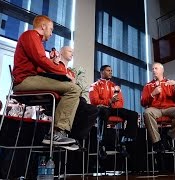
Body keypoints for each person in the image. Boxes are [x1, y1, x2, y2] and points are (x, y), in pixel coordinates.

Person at [12, 15, 81, 145]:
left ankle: (59, 133)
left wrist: (54, 64)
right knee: (74, 89)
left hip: (30, 78)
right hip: (24, 81)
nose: (51, 33)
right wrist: (64, 72)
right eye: (51, 29)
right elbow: (41, 60)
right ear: (43, 26)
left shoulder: (35, 40)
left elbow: (40, 66)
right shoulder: (30, 35)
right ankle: (56, 133)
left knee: (70, 90)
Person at [89, 65, 138, 159]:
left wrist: (113, 102)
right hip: (101, 109)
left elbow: (120, 102)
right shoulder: (94, 85)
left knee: (133, 114)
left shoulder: (115, 86)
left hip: (113, 109)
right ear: (102, 72)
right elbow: (94, 101)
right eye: (108, 70)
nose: (111, 72)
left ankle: (124, 140)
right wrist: (109, 101)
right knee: (103, 111)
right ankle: (101, 145)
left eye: (111, 70)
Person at [141, 62, 175, 152]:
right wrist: (153, 94)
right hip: (155, 109)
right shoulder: (148, 85)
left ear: (162, 70)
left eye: (156, 68)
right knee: (147, 112)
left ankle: (169, 137)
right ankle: (157, 142)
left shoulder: (170, 83)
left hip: (169, 109)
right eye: (153, 69)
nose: (153, 70)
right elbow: (143, 102)